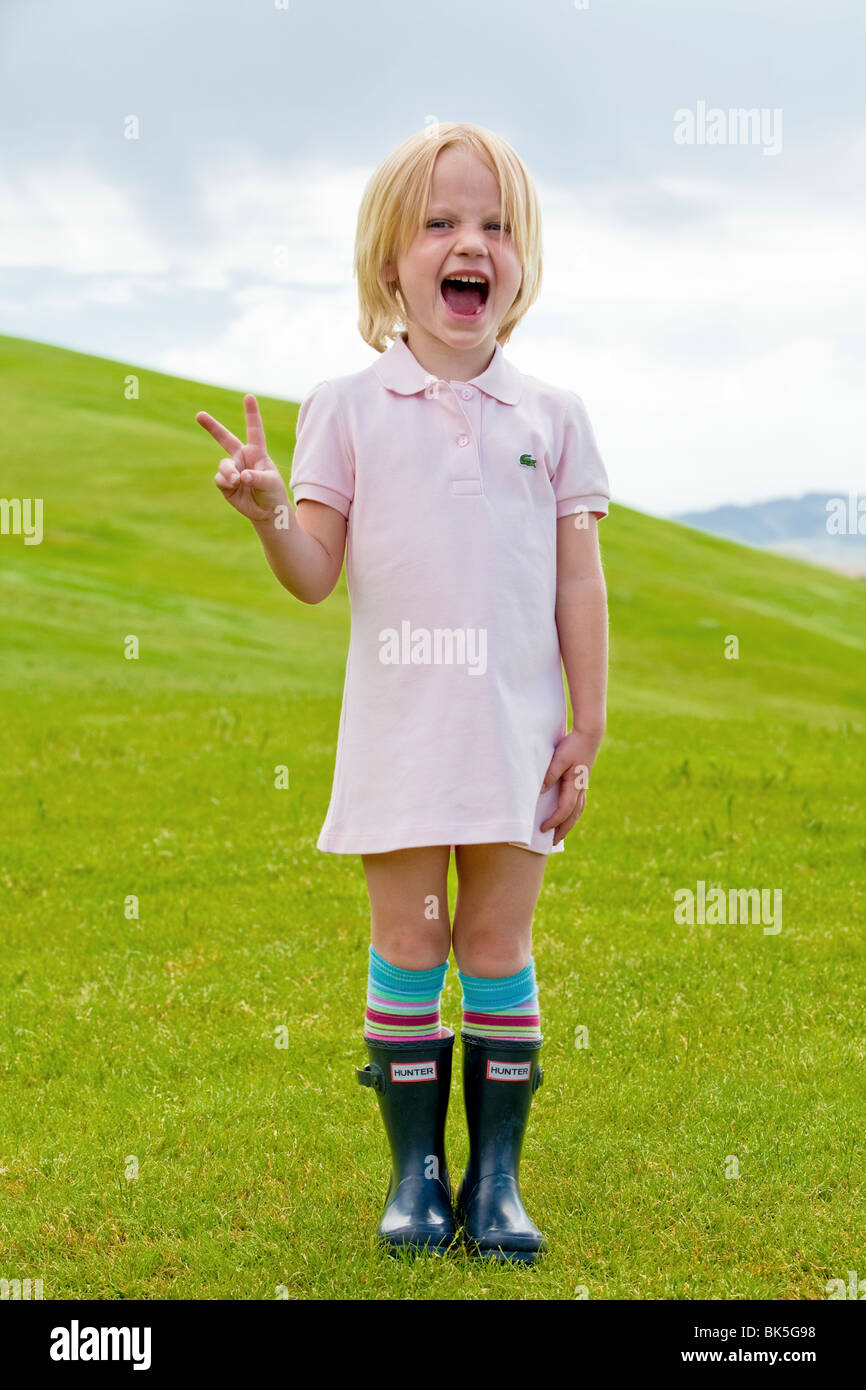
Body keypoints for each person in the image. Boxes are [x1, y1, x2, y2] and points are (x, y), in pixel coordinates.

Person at [196, 122, 610, 1265]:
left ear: (518, 264)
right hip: (399, 738)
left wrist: (587, 724)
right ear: (391, 262)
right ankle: (416, 1176)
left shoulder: (553, 415)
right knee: (407, 946)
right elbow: (313, 574)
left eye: (493, 226)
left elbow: (579, 580)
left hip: (517, 738)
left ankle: (499, 1182)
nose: (467, 243)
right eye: (439, 223)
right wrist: (272, 509)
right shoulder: (348, 405)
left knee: (497, 943)